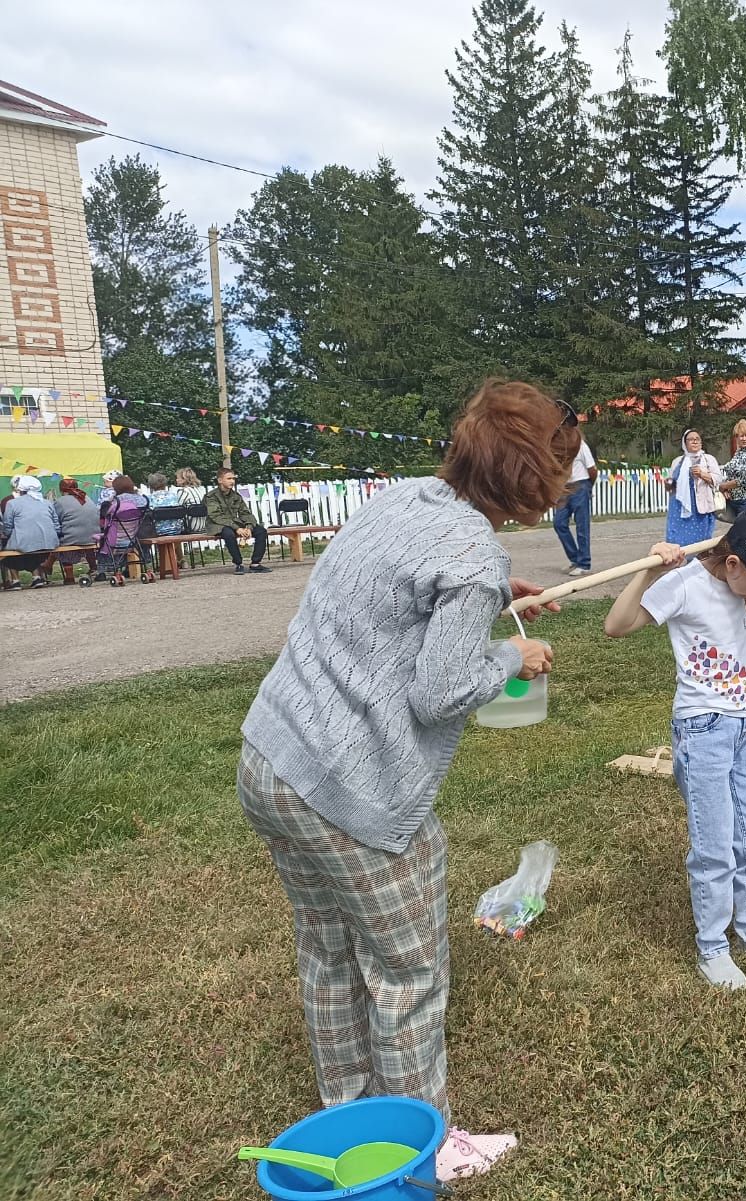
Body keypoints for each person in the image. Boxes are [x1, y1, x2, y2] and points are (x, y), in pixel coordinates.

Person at [237, 379, 577, 1183]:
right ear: (531, 477)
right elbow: (439, 689)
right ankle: (428, 1144)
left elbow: (397, 606)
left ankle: (344, 1109)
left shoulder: (404, 500)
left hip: (272, 759)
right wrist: (509, 653)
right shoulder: (471, 552)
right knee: (408, 973)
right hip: (353, 791)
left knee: (326, 949)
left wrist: (488, 603)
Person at [603, 508, 746, 990]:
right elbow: (616, 625)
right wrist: (650, 571)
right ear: (732, 564)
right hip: (704, 730)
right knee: (715, 845)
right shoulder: (685, 584)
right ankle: (713, 947)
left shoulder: (738, 574)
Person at [205, 468, 271, 574]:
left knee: (261, 531)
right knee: (228, 533)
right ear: (220, 480)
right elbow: (216, 516)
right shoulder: (211, 496)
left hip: (233, 523)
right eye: (229, 478)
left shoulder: (236, 496)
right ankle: (238, 563)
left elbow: (245, 513)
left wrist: (249, 527)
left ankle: (255, 564)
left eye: (233, 478)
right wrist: (237, 528)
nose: (232, 481)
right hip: (217, 524)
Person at [2, 475, 60, 588]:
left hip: (25, 542)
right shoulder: (47, 502)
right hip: (49, 542)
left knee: (9, 550)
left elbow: (7, 526)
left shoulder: (12, 503)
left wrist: (9, 535)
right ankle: (37, 577)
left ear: (20, 489)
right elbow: (56, 524)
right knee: (30, 545)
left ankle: (15, 581)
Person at [552, 433, 597, 577]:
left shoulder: (581, 446)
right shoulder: (557, 449)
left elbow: (592, 470)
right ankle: (575, 558)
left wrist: (588, 487)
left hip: (580, 485)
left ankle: (584, 563)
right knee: (559, 523)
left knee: (582, 526)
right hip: (564, 488)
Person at [666, 430, 722, 545]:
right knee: (677, 538)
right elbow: (670, 484)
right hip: (680, 507)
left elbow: (717, 479)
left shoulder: (708, 459)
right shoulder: (677, 462)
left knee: (701, 540)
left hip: (701, 506)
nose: (695, 441)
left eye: (697, 439)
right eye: (691, 439)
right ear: (685, 444)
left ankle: (699, 560)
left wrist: (702, 474)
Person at [98, 475, 154, 586]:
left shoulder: (116, 502)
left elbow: (104, 516)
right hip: (135, 537)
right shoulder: (142, 500)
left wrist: (108, 501)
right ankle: (146, 567)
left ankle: (102, 570)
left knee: (102, 538)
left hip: (116, 539)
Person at [53, 477, 100, 586]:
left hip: (73, 538)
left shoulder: (60, 502)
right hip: (94, 536)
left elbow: (56, 520)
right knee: (84, 536)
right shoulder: (87, 498)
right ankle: (94, 568)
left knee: (60, 540)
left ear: (61, 489)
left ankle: (69, 576)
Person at [146, 472, 186, 536]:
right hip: (177, 529)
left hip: (158, 531)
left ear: (151, 485)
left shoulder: (149, 498)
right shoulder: (174, 496)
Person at [172, 466, 208, 533]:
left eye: (178, 478)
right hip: (204, 525)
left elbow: (176, 509)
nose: (176, 480)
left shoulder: (184, 491)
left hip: (190, 526)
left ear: (184, 479)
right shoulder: (201, 490)